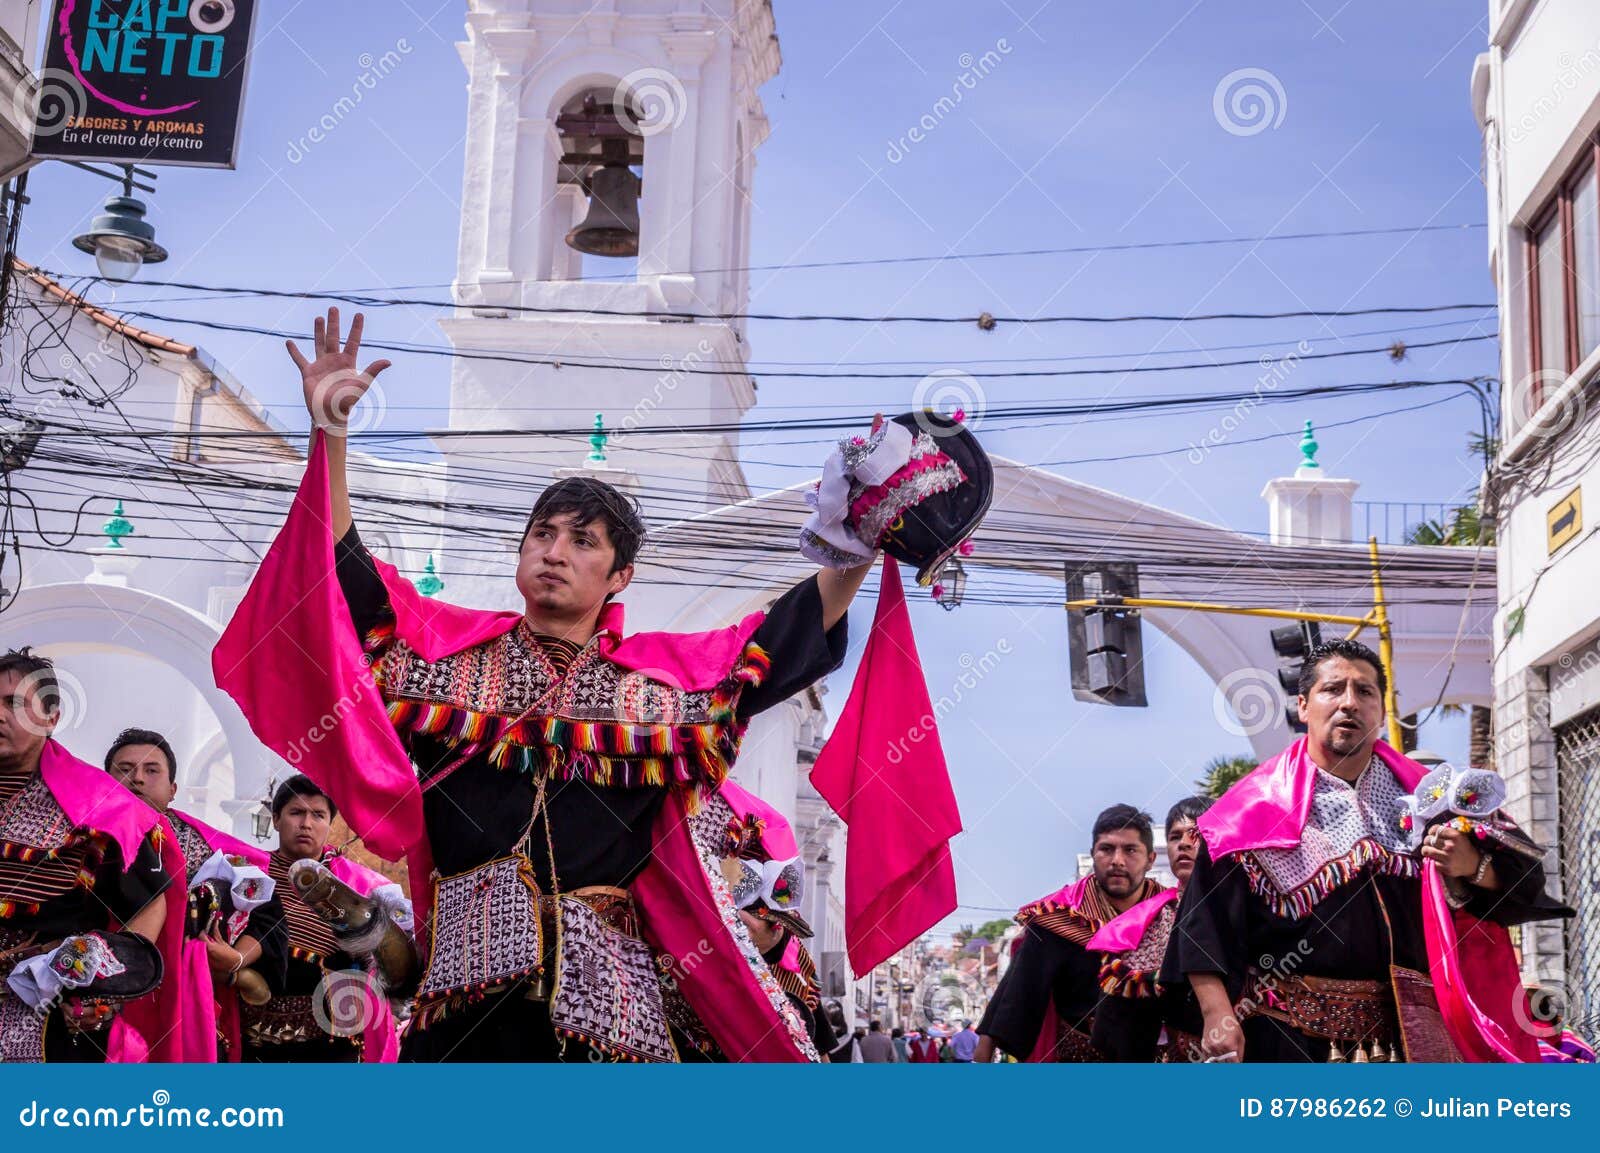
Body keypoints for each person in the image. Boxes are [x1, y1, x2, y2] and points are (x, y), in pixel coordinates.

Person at [1165, 640, 1573, 1062]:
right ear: (1303, 706)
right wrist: (1217, 1015)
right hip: (1288, 1036)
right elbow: (1203, 923)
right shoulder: (1248, 813)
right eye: (1333, 689)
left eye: (1364, 692)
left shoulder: (1434, 797)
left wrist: (1474, 865)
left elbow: (1525, 878)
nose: (1349, 703)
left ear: (1380, 709)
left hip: (1416, 1035)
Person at [0, 649, 185, 1062]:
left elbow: (149, 904)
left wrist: (98, 985)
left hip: (44, 1018)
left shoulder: (100, 808)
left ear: (51, 717)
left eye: (13, 703)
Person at [105, 727, 287, 1062]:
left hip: (187, 1000)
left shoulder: (210, 850)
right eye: (125, 769)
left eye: (151, 770)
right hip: (100, 1000)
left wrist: (238, 959)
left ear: (173, 789)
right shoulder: (85, 840)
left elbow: (267, 912)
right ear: (106, 782)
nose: (138, 779)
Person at [974, 804, 1164, 1062]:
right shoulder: (1060, 917)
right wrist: (983, 1053)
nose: (1117, 860)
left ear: (1150, 859)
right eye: (1106, 849)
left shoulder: (1169, 914)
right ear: (1093, 854)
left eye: (1130, 850)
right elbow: (1019, 988)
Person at [239, 775, 403, 1063]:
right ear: (276, 819)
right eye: (296, 812)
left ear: (329, 824)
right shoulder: (247, 873)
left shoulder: (359, 886)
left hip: (330, 1038)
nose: (306, 824)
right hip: (249, 1029)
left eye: (318, 815)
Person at [1089, 795, 1212, 1061]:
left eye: (1196, 834)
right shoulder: (1149, 919)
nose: (1184, 844)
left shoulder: (1252, 906)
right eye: (1175, 836)